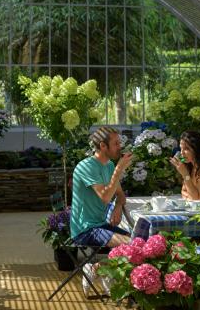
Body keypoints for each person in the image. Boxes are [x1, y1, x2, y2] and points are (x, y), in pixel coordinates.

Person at [70, 126, 133, 297]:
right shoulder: (86, 167)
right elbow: (105, 197)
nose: (120, 146)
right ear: (103, 146)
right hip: (85, 229)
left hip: (100, 224)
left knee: (139, 241)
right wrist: (119, 170)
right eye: (116, 143)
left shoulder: (109, 165)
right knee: (131, 245)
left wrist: (119, 207)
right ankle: (105, 271)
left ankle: (99, 268)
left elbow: (120, 195)